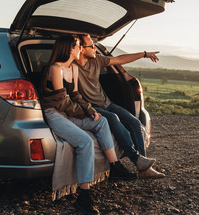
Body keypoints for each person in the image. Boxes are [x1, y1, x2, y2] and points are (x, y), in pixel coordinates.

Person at [41, 35, 150, 215]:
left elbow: (75, 96)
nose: (79, 49)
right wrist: (85, 112)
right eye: (77, 46)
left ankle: (114, 166)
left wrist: (91, 110)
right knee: (85, 141)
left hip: (69, 111)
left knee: (102, 121)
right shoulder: (56, 69)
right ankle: (84, 196)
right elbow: (60, 102)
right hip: (55, 113)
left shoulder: (73, 70)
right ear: (70, 49)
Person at [75, 34, 165, 179]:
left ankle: (144, 168)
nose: (94, 48)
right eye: (91, 46)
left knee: (135, 123)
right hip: (92, 107)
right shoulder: (72, 67)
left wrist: (144, 54)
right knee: (113, 118)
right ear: (80, 49)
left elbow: (120, 59)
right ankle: (136, 159)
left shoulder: (96, 60)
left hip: (107, 103)